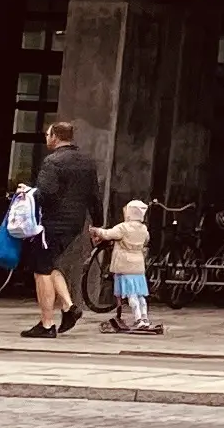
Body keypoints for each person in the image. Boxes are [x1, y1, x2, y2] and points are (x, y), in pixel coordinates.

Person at [25, 121, 101, 339]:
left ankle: (46, 324)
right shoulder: (86, 161)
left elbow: (46, 194)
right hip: (75, 223)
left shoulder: (53, 162)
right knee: (51, 264)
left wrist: (30, 192)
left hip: (52, 223)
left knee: (41, 270)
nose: (46, 138)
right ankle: (69, 308)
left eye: (47, 134)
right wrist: (97, 224)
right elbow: (94, 195)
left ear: (55, 136)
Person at [101, 197, 162, 335]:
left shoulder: (123, 227)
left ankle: (138, 319)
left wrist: (96, 231)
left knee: (131, 294)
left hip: (125, 267)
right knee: (141, 295)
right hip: (138, 268)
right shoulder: (144, 229)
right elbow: (146, 240)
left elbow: (108, 234)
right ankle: (145, 318)